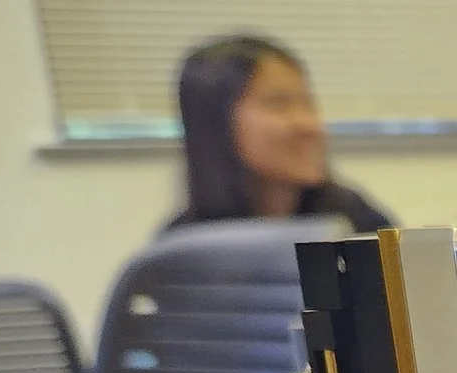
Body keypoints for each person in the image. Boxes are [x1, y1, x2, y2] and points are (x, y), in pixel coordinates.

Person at [166, 36, 392, 232]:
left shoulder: (356, 220)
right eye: (278, 103)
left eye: (308, 104)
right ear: (214, 122)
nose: (309, 125)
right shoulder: (177, 254)